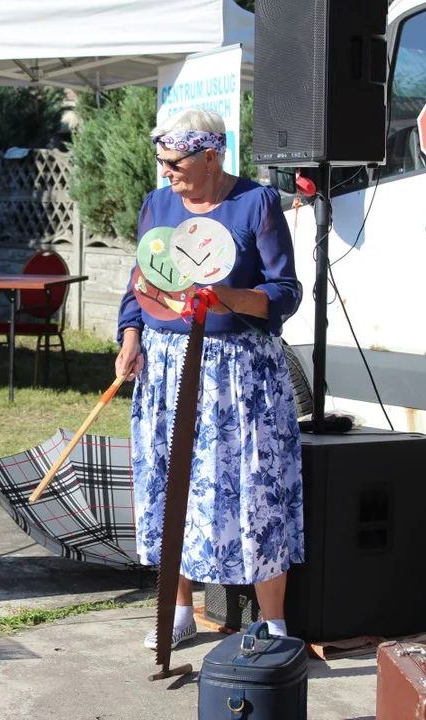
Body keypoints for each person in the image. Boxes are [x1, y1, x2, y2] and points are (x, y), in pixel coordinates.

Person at [115, 108, 304, 649]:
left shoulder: (256, 203)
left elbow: (285, 291)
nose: (166, 171)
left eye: (174, 162)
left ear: (212, 156)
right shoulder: (158, 204)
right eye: (161, 161)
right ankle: (179, 611)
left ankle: (274, 626)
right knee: (174, 487)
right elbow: (140, 283)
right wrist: (131, 336)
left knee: (253, 490)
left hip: (237, 371)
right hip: (168, 366)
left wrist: (229, 297)